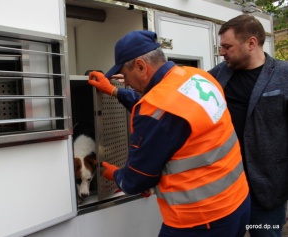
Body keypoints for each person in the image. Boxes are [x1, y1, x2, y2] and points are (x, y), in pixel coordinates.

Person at [88, 30, 250, 237]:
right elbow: (170, 111)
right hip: (238, 202)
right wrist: (114, 91)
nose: (126, 82)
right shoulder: (197, 76)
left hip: (201, 220)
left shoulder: (157, 109)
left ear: (140, 66)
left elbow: (137, 180)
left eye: (125, 76)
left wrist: (115, 174)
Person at [208, 14, 288, 237]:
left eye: (227, 46)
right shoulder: (219, 74)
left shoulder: (284, 74)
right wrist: (122, 91)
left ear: (251, 43)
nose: (221, 52)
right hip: (227, 189)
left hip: (266, 192)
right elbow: (182, 94)